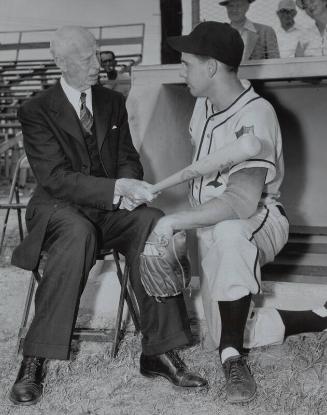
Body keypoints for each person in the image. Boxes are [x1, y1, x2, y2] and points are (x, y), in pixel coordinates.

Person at [9, 26, 207, 406]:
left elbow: (127, 158)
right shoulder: (35, 110)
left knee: (153, 222)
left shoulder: (112, 102)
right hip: (59, 210)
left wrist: (131, 186)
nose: (96, 65)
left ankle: (158, 352)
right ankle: (34, 359)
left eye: (96, 55)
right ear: (60, 63)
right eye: (85, 60)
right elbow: (55, 179)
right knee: (77, 232)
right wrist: (117, 189)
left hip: (110, 210)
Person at [144, 21, 327, 404]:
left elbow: (241, 202)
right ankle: (316, 317)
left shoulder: (257, 115)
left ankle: (234, 361)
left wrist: (174, 219)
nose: (182, 71)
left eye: (187, 63)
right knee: (222, 329)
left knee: (229, 234)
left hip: (259, 219)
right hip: (211, 222)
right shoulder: (202, 103)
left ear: (211, 67)